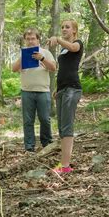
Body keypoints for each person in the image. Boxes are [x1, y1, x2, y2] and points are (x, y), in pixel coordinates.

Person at [12, 28, 57, 152]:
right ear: (25, 40)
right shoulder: (22, 53)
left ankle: (47, 142)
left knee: (44, 118)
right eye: (28, 39)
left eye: (33, 39)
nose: (31, 41)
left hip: (43, 91)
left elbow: (53, 68)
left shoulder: (45, 52)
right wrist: (24, 56)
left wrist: (42, 59)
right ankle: (29, 146)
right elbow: (13, 69)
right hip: (27, 91)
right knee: (28, 120)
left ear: (38, 40)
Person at [48, 19, 83, 174]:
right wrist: (57, 88)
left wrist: (58, 40)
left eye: (67, 27)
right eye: (62, 27)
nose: (64, 29)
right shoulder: (63, 50)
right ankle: (63, 163)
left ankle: (65, 166)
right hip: (62, 90)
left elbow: (73, 48)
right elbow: (63, 70)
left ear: (74, 30)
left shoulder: (77, 43)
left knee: (67, 127)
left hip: (72, 89)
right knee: (62, 127)